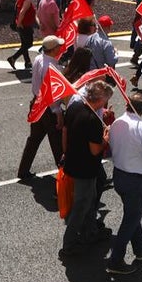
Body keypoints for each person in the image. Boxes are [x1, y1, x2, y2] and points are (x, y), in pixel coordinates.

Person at [105, 91, 142, 275]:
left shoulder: (116, 124)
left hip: (119, 176)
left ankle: (141, 248)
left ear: (126, 106)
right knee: (130, 219)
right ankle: (115, 260)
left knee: (132, 214)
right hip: (135, 181)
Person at [60, 81, 113, 258]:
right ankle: (69, 244)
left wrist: (65, 153)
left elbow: (65, 132)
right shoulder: (92, 120)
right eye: (105, 100)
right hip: (85, 168)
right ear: (99, 100)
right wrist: (105, 138)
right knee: (81, 205)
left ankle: (91, 231)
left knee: (89, 199)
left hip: (73, 162)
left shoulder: (74, 107)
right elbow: (95, 149)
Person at [18, 36, 67, 180]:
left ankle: (23, 170)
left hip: (36, 104)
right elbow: (51, 94)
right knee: (57, 143)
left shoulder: (40, 59)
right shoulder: (51, 68)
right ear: (53, 50)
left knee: (34, 139)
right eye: (59, 46)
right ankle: (63, 176)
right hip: (48, 108)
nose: (61, 48)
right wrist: (57, 112)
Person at [8, 0, 38, 69]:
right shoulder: (27, 1)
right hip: (24, 25)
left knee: (24, 44)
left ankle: (27, 62)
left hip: (21, 25)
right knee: (28, 44)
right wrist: (20, 23)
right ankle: (13, 58)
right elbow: (22, 12)